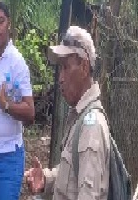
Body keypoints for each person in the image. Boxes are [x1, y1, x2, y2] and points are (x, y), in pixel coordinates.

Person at [24, 26, 110, 200]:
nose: (60, 78)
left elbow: (89, 195)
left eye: (65, 67)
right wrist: (47, 180)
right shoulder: (80, 117)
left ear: (84, 67)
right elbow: (73, 176)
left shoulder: (91, 127)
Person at [0, 1, 35, 200]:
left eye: (0, 21)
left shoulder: (16, 62)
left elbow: (30, 112)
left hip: (8, 157)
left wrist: (7, 105)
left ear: (8, 23)